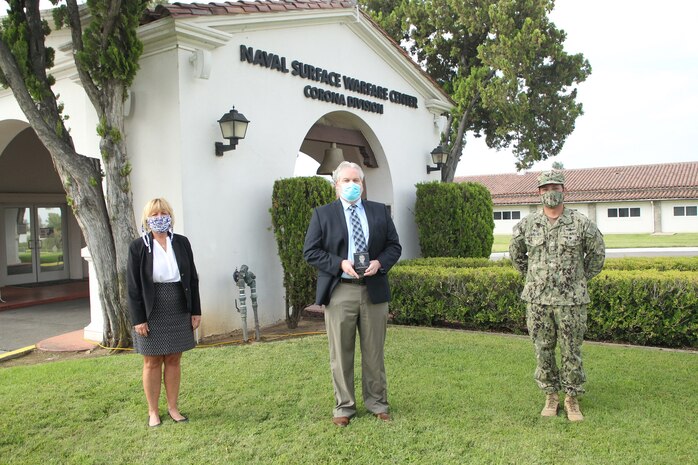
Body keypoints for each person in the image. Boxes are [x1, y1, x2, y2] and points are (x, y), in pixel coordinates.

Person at [303, 161, 402, 427]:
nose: (351, 185)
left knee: (374, 353)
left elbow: (394, 246)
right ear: (336, 186)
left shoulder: (379, 212)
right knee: (341, 353)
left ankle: (377, 403)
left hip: (373, 291)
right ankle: (344, 407)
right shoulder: (323, 215)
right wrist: (339, 263)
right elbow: (310, 251)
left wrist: (380, 262)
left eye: (356, 181)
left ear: (362, 184)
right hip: (340, 291)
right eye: (345, 181)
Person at [509, 171, 605, 422]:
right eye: (545, 188)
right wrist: (534, 277)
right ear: (538, 192)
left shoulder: (581, 223)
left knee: (571, 350)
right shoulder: (527, 224)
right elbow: (516, 255)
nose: (550, 192)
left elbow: (597, 255)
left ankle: (572, 398)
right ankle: (550, 395)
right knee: (542, 349)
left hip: (572, 301)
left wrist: (578, 280)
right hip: (538, 300)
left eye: (555, 187)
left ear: (564, 190)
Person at [127, 198, 202, 427]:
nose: (160, 217)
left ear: (170, 216)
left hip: (178, 304)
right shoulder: (139, 246)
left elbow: (192, 278)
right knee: (151, 361)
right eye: (155, 214)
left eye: (163, 213)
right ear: (147, 219)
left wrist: (195, 310)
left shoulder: (181, 242)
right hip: (152, 308)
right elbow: (132, 286)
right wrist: (138, 318)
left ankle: (173, 407)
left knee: (173, 358)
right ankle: (153, 411)